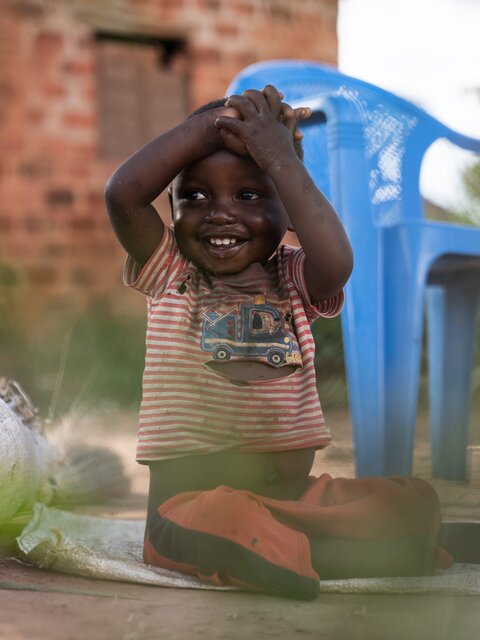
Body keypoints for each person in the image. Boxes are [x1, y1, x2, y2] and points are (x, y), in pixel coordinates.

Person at [105, 85, 451, 599]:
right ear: (172, 209)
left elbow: (339, 263)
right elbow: (123, 194)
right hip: (191, 506)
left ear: (287, 211)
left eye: (248, 195)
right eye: (195, 196)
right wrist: (214, 125)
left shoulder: (293, 277)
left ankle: (299, 549)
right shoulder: (171, 272)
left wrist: (279, 156)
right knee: (227, 521)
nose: (221, 212)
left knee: (407, 497)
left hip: (295, 498)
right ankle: (324, 554)